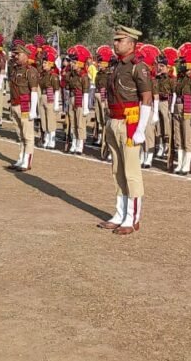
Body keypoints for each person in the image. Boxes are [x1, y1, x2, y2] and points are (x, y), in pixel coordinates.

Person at [96, 26, 152, 236]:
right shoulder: (117, 66)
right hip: (114, 120)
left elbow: (147, 98)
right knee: (117, 170)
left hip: (130, 122)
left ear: (132, 43)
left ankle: (132, 217)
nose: (116, 43)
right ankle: (120, 213)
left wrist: (140, 129)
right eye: (115, 40)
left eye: (120, 40)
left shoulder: (139, 67)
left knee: (131, 172)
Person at [7, 43, 39, 171]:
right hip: (15, 104)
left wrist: (33, 110)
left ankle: (27, 161)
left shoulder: (30, 71)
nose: (15, 56)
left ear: (25, 56)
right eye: (14, 54)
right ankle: (21, 158)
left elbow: (34, 91)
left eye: (18, 54)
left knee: (28, 135)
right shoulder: (15, 69)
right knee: (20, 135)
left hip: (25, 106)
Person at [172, 43, 191, 175]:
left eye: (183, 63)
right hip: (178, 108)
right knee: (178, 136)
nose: (181, 65)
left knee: (188, 136)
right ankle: (179, 163)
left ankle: (186, 165)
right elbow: (176, 93)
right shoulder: (181, 78)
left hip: (188, 108)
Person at [65, 45, 92, 155]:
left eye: (74, 62)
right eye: (71, 62)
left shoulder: (84, 76)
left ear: (80, 63)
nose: (72, 64)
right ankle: (74, 142)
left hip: (80, 100)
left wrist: (85, 107)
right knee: (73, 122)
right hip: (72, 98)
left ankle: (80, 145)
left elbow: (86, 91)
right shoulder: (71, 75)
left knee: (80, 123)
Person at [38, 46, 60, 149]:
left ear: (51, 64)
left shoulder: (53, 76)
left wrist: (56, 104)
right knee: (43, 118)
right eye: (43, 62)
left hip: (50, 98)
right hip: (42, 97)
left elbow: (56, 90)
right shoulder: (42, 75)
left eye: (45, 63)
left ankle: (52, 139)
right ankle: (46, 138)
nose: (43, 65)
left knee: (50, 119)